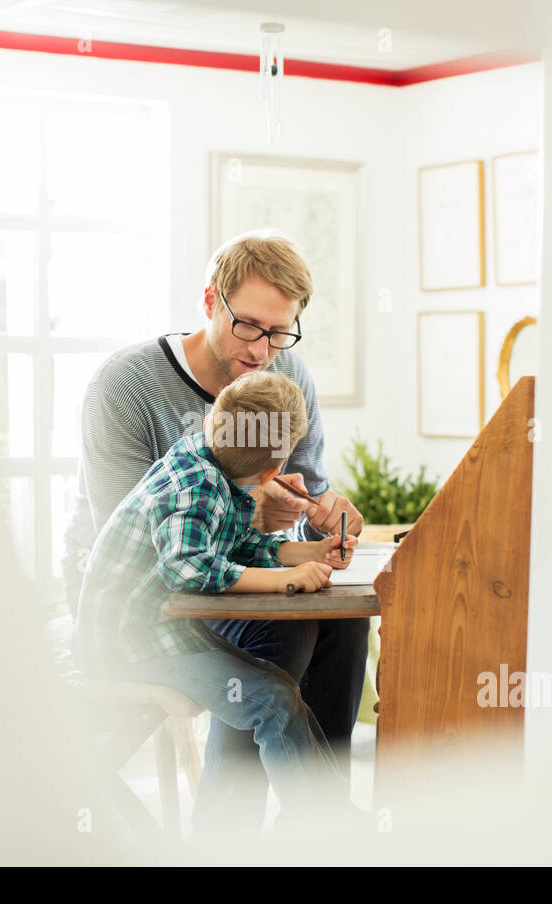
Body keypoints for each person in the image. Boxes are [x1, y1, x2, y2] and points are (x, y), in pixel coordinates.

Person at [64, 229, 368, 834]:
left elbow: (304, 486)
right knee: (282, 641)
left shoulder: (284, 379)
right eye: (250, 326)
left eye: (281, 332)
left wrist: (324, 519)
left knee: (343, 617)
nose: (263, 350)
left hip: (219, 562)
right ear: (210, 301)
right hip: (138, 595)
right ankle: (229, 836)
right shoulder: (126, 385)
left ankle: (311, 822)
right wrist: (264, 528)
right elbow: (146, 542)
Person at [75, 373, 359, 824]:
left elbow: (236, 548)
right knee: (272, 700)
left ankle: (332, 817)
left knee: (278, 691)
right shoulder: (196, 487)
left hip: (163, 632)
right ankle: (330, 830)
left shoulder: (211, 461)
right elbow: (189, 567)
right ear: (271, 473)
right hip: (130, 643)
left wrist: (312, 553)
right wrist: (287, 581)